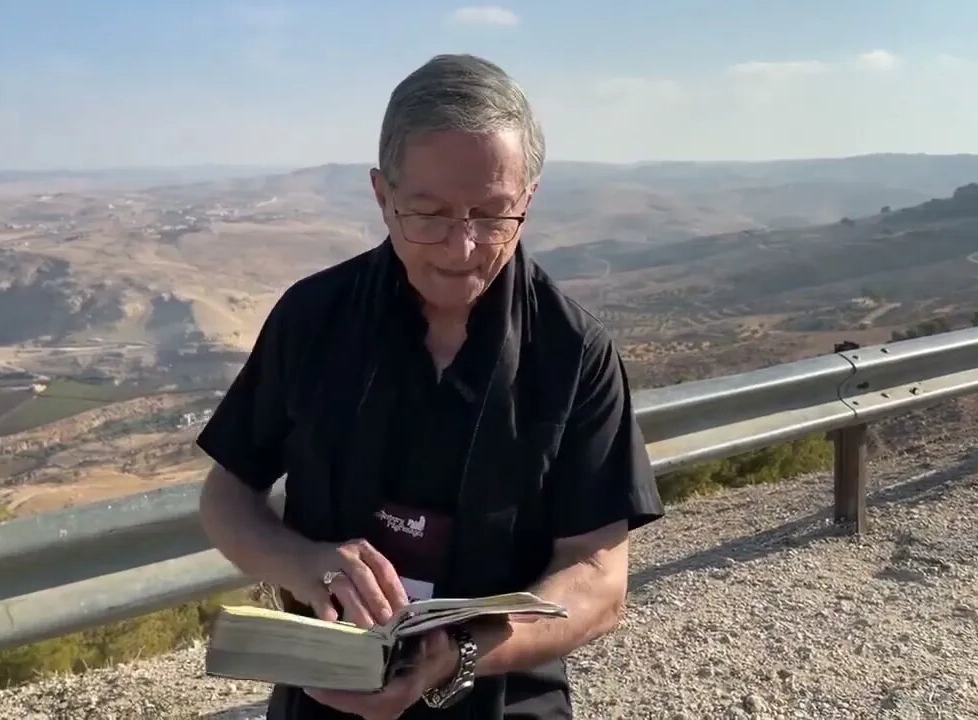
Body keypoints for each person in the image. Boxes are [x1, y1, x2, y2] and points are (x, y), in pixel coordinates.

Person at [197, 53, 664, 720]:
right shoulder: (312, 319)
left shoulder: (575, 354)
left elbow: (599, 580)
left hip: (504, 704)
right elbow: (227, 496)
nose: (462, 246)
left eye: (492, 214)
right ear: (381, 196)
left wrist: (461, 653)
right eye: (429, 213)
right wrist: (306, 565)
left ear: (528, 201)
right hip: (324, 697)